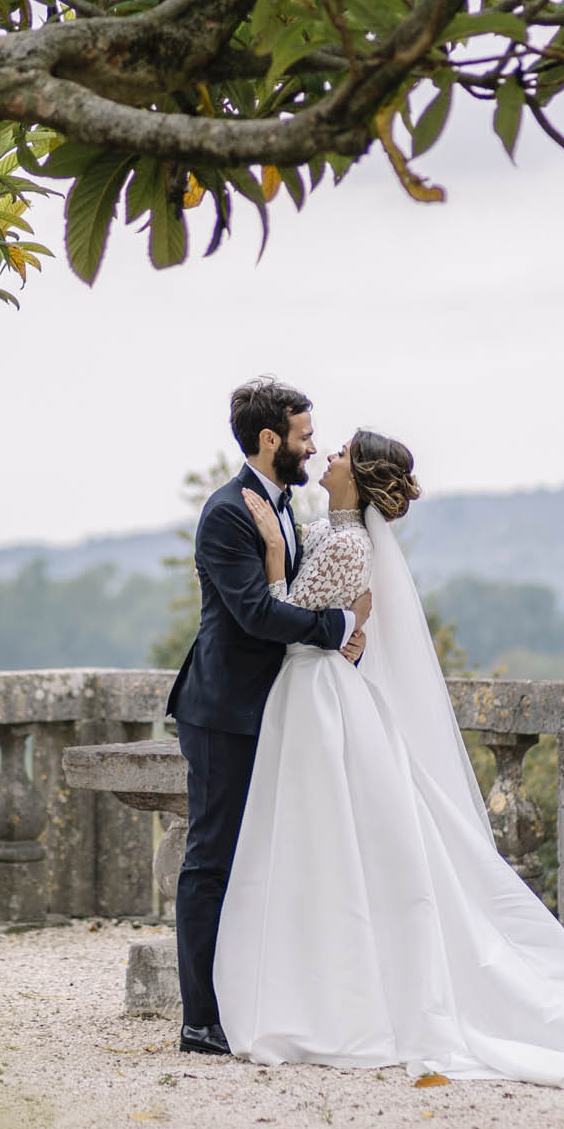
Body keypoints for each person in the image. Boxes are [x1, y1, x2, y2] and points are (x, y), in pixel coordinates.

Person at [207, 428, 564, 1089]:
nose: (328, 455)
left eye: (338, 452)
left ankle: (330, 998)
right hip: (321, 693)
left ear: (358, 476)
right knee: (334, 843)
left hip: (324, 699)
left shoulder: (343, 543)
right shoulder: (332, 534)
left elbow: (285, 616)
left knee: (330, 841)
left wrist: (282, 567)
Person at [165, 378, 371, 1056]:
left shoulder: (284, 506)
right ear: (269, 440)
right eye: (305, 435)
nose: (314, 446)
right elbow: (255, 613)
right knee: (212, 859)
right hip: (223, 710)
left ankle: (252, 997)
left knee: (264, 859)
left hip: (273, 711)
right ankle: (200, 1019)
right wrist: (339, 625)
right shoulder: (227, 514)